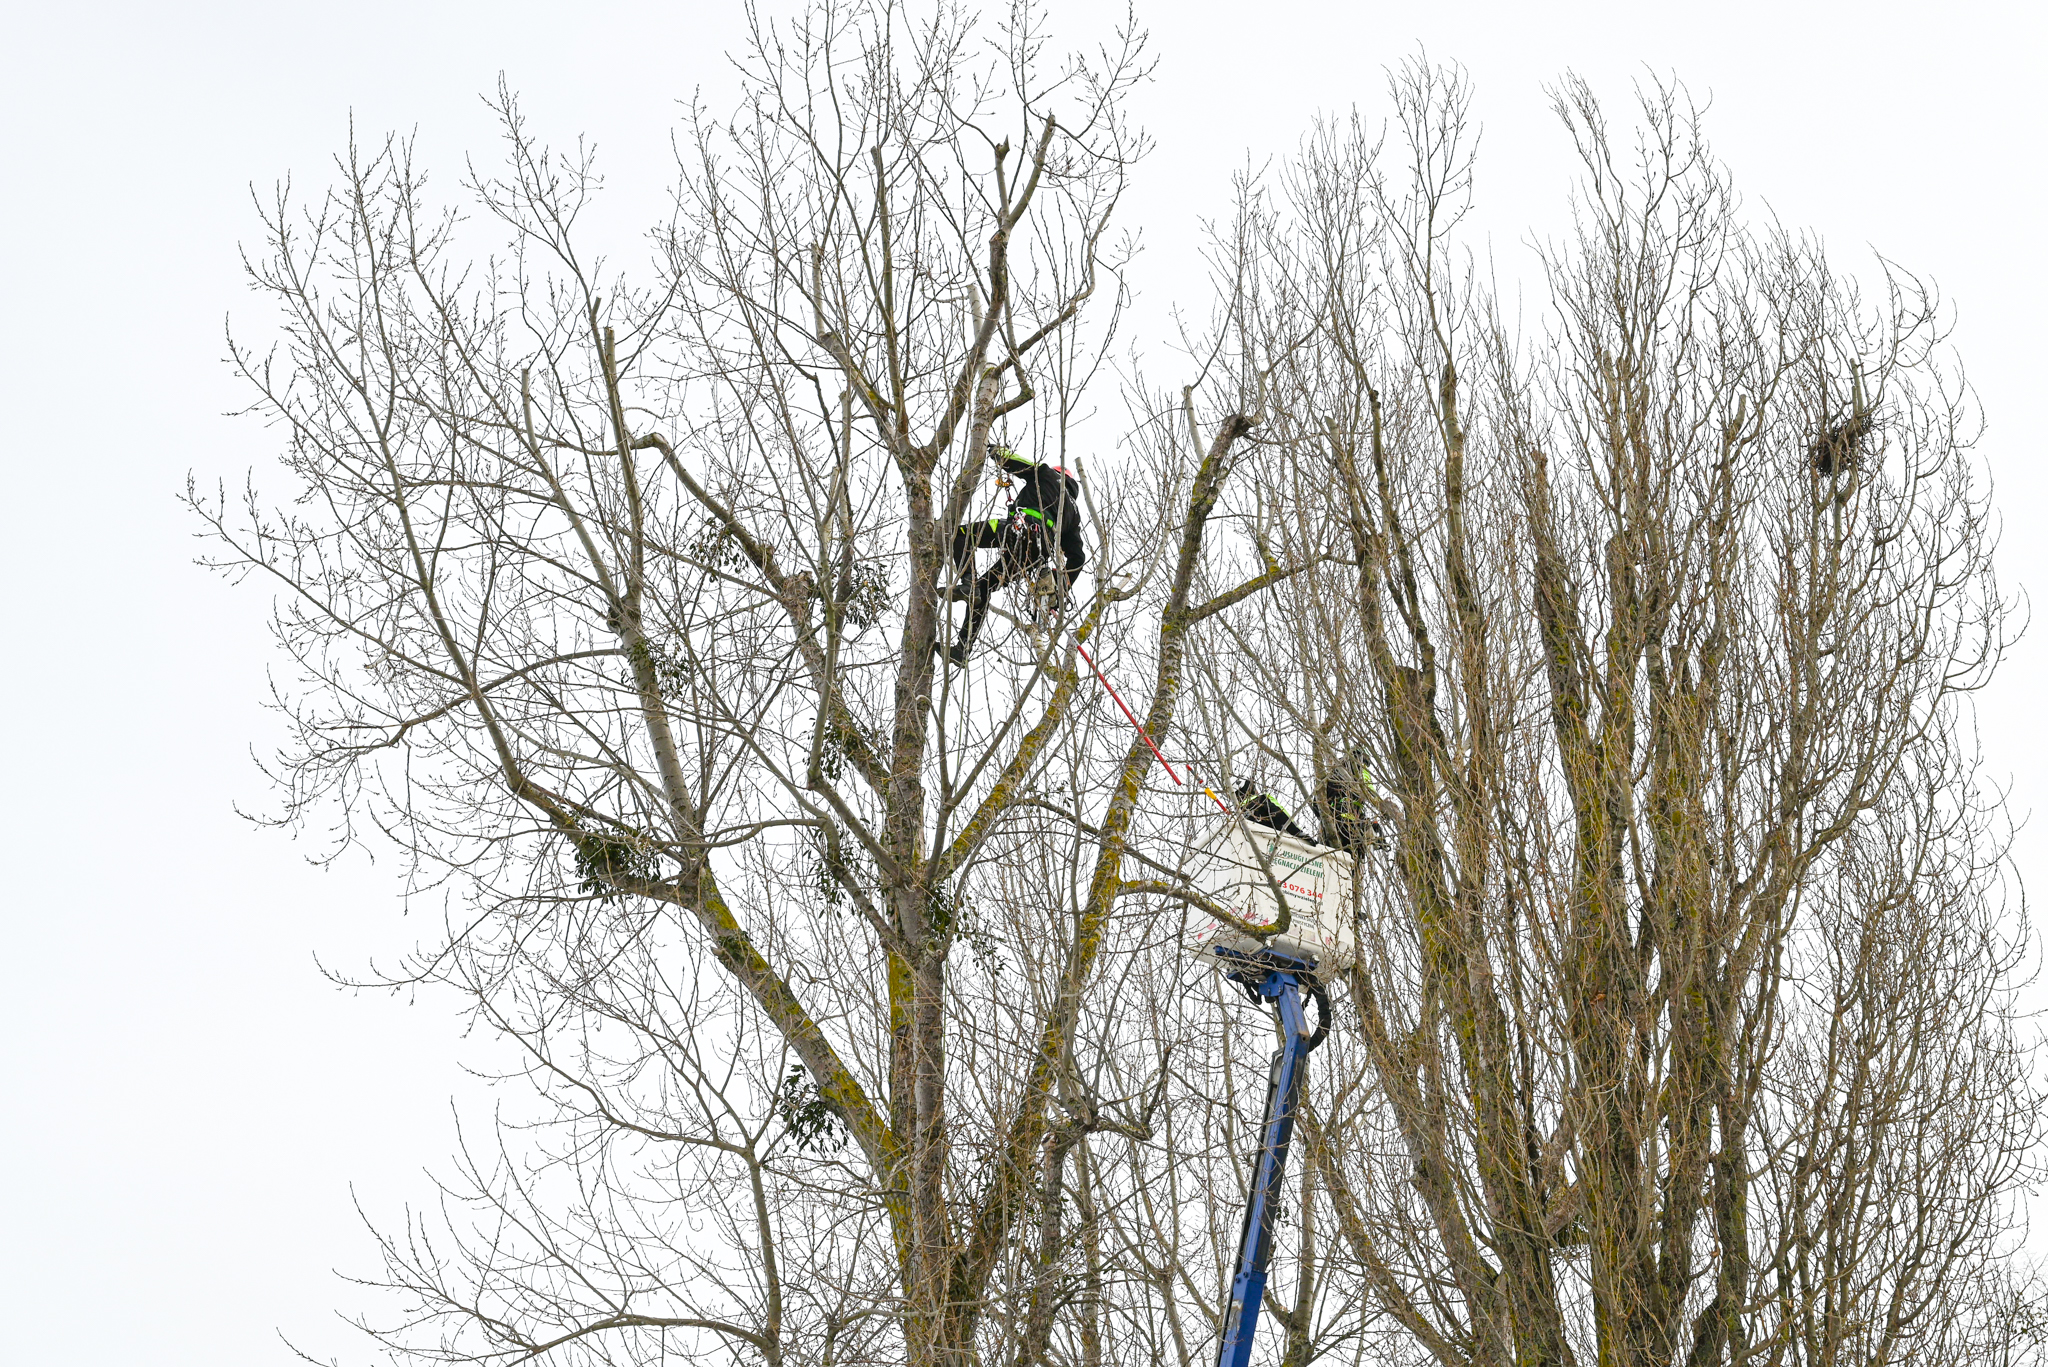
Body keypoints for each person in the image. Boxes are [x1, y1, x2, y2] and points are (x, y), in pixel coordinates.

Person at [945, 444, 1087, 663]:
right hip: (1034, 555)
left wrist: (995, 452)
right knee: (984, 588)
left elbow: (1021, 465)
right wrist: (1060, 586)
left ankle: (967, 582)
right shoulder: (1073, 512)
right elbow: (1078, 557)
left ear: (1058, 473)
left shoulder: (1046, 473)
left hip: (1020, 529)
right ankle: (961, 651)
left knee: (959, 536)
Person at [1313, 751, 1386, 854]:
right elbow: (1370, 793)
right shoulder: (1354, 771)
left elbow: (1316, 805)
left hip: (1339, 829)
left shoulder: (1335, 774)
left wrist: (1369, 826)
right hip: (1342, 829)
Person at [1234, 780, 1311, 841]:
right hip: (1277, 840)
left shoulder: (1238, 814)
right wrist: (1297, 832)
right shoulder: (1261, 800)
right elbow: (1279, 814)